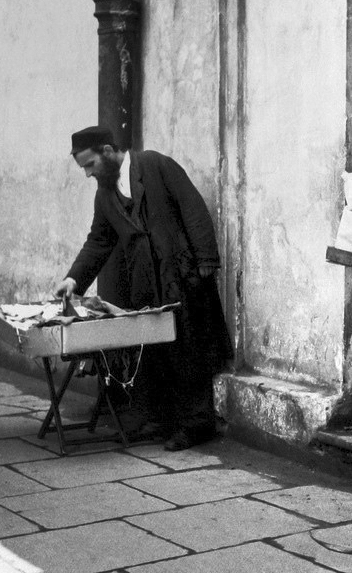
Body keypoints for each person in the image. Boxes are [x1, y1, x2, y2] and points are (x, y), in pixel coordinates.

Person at [56, 126, 232, 451]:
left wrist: (205, 258)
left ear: (108, 151)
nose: (87, 173)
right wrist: (74, 279)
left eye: (90, 164)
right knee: (155, 355)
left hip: (179, 276)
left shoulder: (155, 165)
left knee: (188, 350)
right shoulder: (105, 194)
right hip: (146, 285)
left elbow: (192, 206)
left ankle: (197, 424)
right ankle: (163, 421)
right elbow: (99, 240)